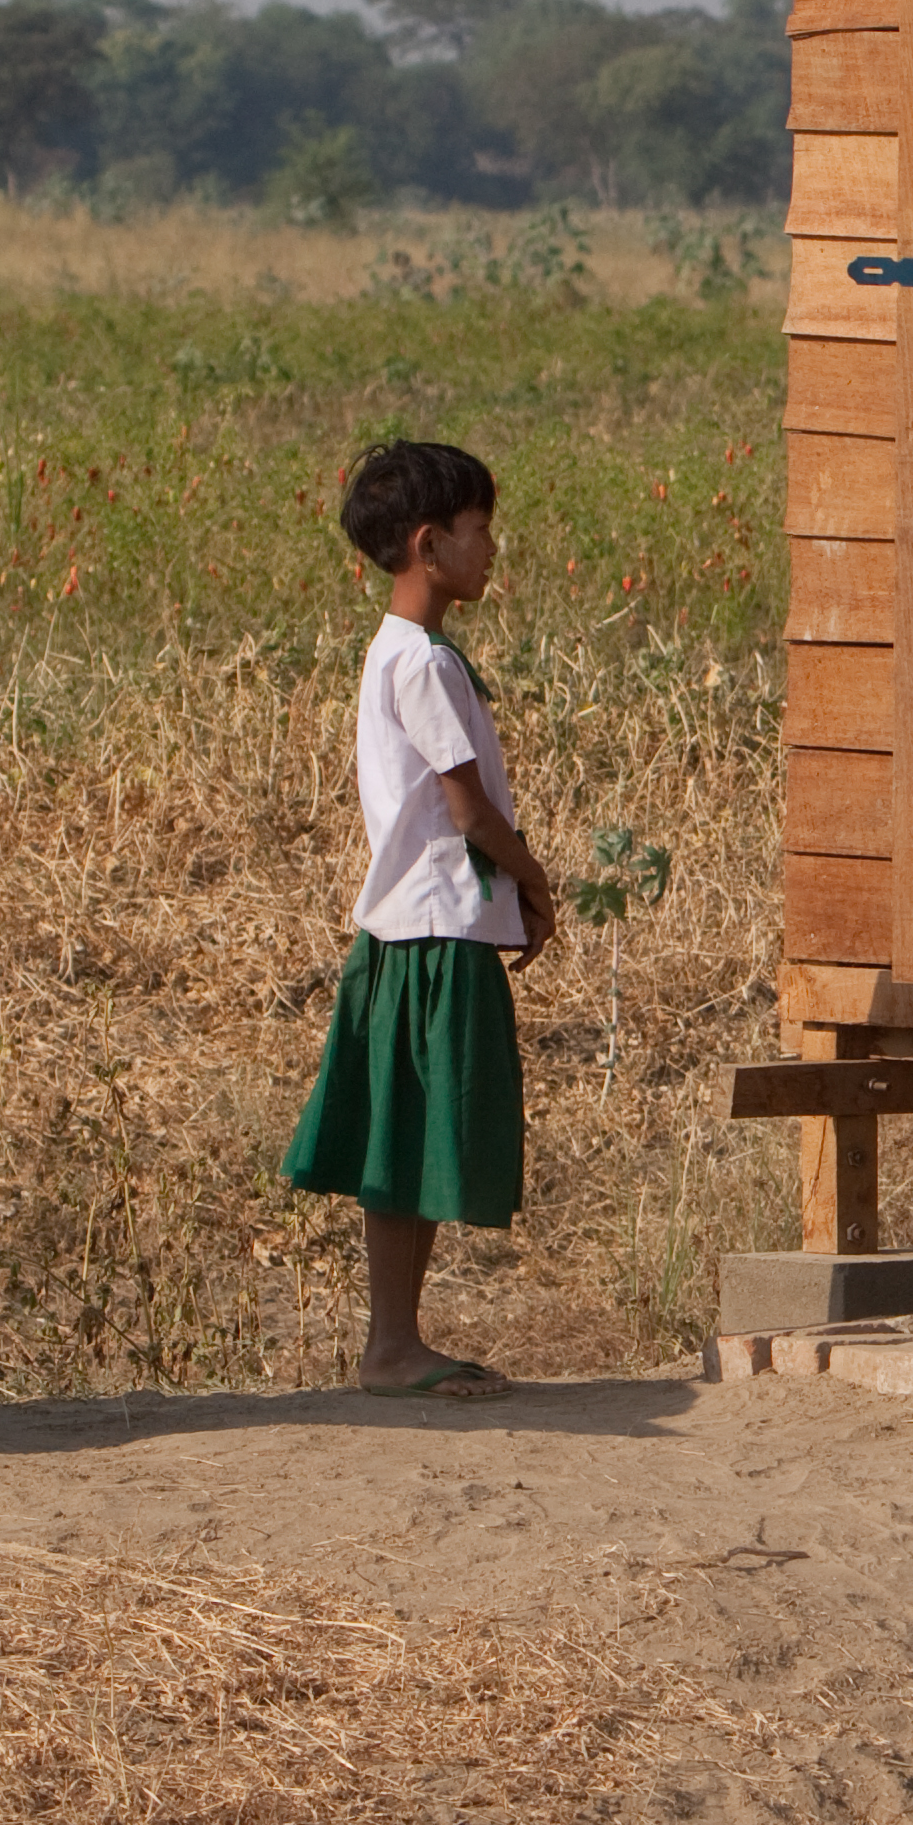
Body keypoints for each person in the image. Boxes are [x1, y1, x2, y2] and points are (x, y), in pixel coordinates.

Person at [281, 438, 556, 1398]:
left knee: (402, 1134)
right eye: (481, 532)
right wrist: (535, 882)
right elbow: (469, 810)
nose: (493, 550)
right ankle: (392, 1342)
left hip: (405, 927)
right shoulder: (426, 665)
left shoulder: (396, 652)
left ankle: (393, 1340)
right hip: (438, 925)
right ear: (430, 545)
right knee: (421, 1129)